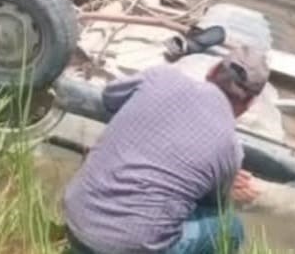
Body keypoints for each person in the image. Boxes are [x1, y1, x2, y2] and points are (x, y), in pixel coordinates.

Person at [62, 45, 270, 254]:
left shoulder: (160, 76)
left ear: (213, 70)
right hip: (126, 248)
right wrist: (226, 183)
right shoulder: (230, 149)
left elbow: (109, 96)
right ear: (249, 104)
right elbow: (212, 204)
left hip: (75, 222)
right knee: (231, 228)